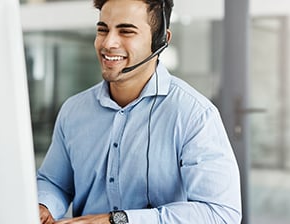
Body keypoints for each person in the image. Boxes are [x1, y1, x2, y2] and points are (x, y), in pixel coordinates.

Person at [37, 0, 242, 223]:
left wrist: (116, 220)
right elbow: (55, 181)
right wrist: (44, 206)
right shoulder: (74, 111)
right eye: (102, 30)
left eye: (126, 31)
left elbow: (220, 213)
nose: (108, 43)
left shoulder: (194, 114)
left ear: (161, 40)